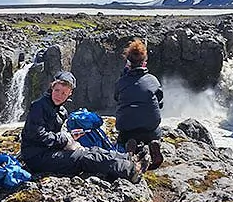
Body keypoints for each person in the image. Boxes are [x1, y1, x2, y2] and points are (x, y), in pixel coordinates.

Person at [19, 71, 149, 183]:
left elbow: (53, 136)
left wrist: (70, 136)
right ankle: (131, 171)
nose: (59, 95)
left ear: (70, 94)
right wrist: (65, 139)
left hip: (49, 151)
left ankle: (127, 158)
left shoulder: (61, 111)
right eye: (57, 90)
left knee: (92, 150)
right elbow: (37, 135)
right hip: (36, 158)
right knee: (83, 158)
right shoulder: (39, 106)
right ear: (52, 88)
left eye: (64, 93)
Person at [114, 39, 164, 169]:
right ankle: (153, 142)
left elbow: (116, 98)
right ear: (144, 62)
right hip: (150, 126)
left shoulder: (121, 82)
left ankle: (130, 145)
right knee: (154, 131)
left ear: (128, 62)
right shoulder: (153, 80)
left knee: (125, 135)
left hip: (128, 127)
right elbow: (160, 103)